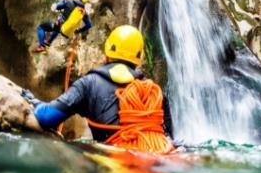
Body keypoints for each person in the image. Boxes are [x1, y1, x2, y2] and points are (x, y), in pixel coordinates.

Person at [22, 25, 173, 145]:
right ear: (138, 58)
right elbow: (169, 138)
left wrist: (33, 101)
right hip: (159, 161)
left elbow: (47, 117)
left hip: (117, 163)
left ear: (108, 52)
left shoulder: (89, 84)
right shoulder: (154, 92)